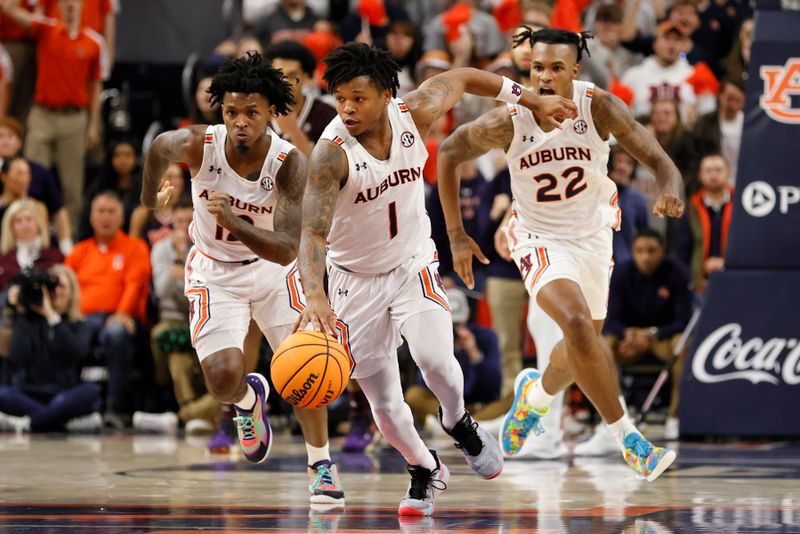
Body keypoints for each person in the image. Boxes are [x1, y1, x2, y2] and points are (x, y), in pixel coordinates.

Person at [294, 42, 575, 515]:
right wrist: (315, 296)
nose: (347, 108)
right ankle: (425, 470)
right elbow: (312, 234)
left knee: (436, 361)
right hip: (352, 279)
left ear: (386, 94)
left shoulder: (415, 111)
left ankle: (457, 419)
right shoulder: (330, 154)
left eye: (358, 98)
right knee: (383, 401)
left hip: (412, 263)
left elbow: (466, 76)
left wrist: (534, 98)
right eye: (340, 98)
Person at [436, 29, 683, 482]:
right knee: (573, 324)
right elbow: (448, 153)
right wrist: (456, 235)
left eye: (555, 68)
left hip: (593, 238)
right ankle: (629, 439)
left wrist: (670, 183)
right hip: (537, 238)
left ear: (575, 71)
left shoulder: (599, 106)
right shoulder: (508, 119)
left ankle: (535, 396)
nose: (544, 78)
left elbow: (656, 155)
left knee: (578, 348)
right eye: (536, 68)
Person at [140, 52, 342, 504]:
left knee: (307, 367)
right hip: (214, 272)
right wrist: (152, 197)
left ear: (273, 111)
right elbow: (157, 149)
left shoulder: (291, 163)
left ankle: (321, 464)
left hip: (273, 271)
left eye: (253, 112)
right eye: (232, 112)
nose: (241, 122)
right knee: (220, 378)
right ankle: (249, 401)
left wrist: (235, 223)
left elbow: (288, 247)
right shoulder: (199, 145)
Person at [65, 191, 151, 428]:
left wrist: (122, 313)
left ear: (121, 218)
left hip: (122, 319)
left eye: (111, 212)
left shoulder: (135, 247)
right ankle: (67, 404)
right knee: (68, 333)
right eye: (101, 212)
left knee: (116, 334)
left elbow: (136, 284)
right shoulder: (79, 251)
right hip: (84, 318)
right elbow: (65, 286)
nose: (106, 217)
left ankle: (115, 406)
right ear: (91, 217)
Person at [0, 264, 101, 433]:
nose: (57, 292)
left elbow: (76, 352)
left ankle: (27, 424)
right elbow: (19, 357)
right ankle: (62, 422)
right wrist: (22, 313)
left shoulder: (80, 325)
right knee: (3, 394)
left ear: (72, 293)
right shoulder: (29, 321)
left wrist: (51, 316)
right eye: (52, 287)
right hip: (29, 394)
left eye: (62, 286)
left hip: (63, 395)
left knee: (91, 391)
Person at [0, 198, 63, 291]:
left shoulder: (55, 256)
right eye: (18, 221)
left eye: (29, 219)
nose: (25, 225)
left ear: (38, 223)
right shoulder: (3, 260)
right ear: (10, 227)